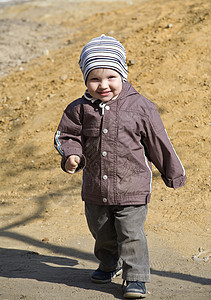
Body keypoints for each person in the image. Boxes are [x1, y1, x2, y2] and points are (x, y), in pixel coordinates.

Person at [54, 34, 186, 299]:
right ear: (85, 80)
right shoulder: (78, 109)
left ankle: (135, 277)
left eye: (111, 77)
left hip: (132, 185)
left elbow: (158, 141)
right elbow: (67, 136)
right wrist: (72, 155)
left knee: (131, 233)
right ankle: (108, 262)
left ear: (122, 75)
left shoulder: (140, 107)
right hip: (95, 187)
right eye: (95, 79)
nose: (103, 85)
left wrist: (172, 172)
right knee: (102, 232)